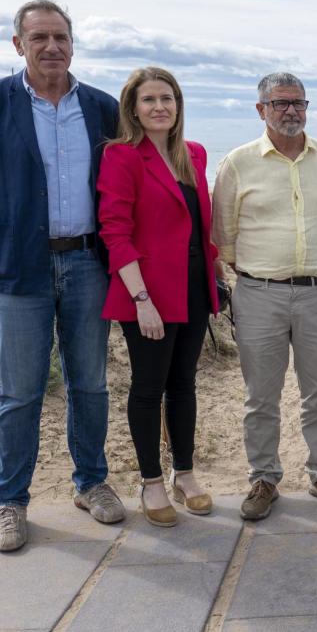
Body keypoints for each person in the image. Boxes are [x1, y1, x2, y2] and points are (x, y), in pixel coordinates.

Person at [0, 0, 124, 553]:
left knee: (90, 383)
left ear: (73, 44)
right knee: (19, 393)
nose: (52, 47)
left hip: (88, 262)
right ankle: (10, 500)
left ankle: (91, 482)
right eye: (39, 37)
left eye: (61, 37)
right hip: (18, 268)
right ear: (18, 45)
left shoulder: (101, 107)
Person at [212, 72, 317, 520]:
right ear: (261, 110)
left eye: (298, 103)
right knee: (261, 396)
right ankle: (264, 478)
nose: (291, 111)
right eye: (280, 103)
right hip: (259, 293)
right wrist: (254, 273)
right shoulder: (238, 163)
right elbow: (224, 233)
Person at [98, 67, 219, 527]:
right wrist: (141, 300)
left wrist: (216, 278)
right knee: (149, 388)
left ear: (178, 105)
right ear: (133, 108)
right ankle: (150, 481)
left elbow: (201, 225)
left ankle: (184, 474)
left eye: (167, 98)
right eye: (148, 99)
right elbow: (115, 231)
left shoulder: (194, 154)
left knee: (184, 384)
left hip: (193, 287)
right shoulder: (121, 156)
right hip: (146, 291)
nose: (159, 107)